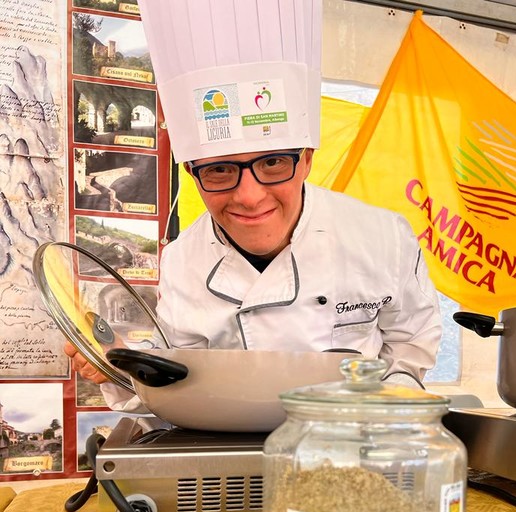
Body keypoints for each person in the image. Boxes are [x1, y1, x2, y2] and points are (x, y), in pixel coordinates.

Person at [65, 0, 442, 411]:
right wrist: (117, 365)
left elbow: (410, 345)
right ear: (193, 173)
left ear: (307, 160)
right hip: (225, 441)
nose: (249, 196)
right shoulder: (183, 261)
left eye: (273, 163)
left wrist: (382, 414)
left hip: (350, 436)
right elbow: (174, 383)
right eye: (220, 170)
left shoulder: (383, 238)